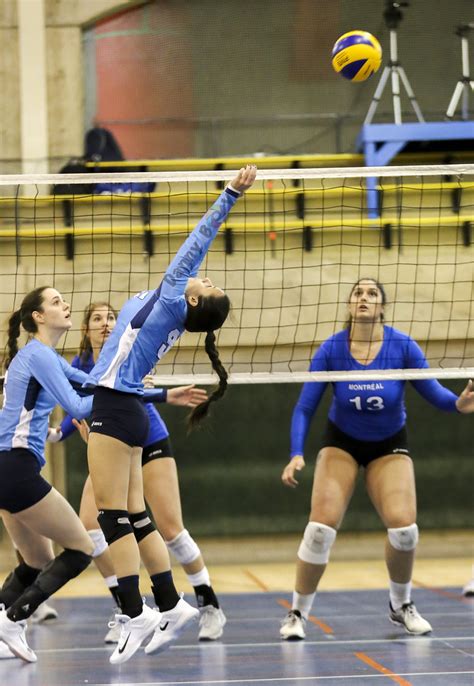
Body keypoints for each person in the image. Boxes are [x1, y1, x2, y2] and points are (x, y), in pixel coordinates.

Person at [84, 165, 257, 664]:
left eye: (205, 281)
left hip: (117, 408)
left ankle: (136, 614)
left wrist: (230, 194)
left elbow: (198, 240)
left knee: (109, 513)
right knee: (136, 515)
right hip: (128, 407)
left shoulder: (173, 293)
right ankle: (170, 605)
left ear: (195, 297)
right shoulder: (175, 308)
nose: (202, 273)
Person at [279, 278, 474, 640]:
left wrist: (460, 404)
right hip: (342, 442)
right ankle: (297, 614)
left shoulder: (402, 346)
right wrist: (295, 454)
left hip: (388, 443)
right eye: (358, 293)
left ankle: (401, 605)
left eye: (372, 294)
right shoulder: (332, 349)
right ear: (350, 306)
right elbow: (305, 407)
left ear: (381, 306)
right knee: (320, 530)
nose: (364, 298)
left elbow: (436, 394)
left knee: (404, 531)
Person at [54, 301, 226, 643]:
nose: (105, 324)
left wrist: (162, 394)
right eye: (97, 319)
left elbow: (131, 392)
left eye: (111, 318)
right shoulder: (82, 365)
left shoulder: (131, 347)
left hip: (147, 438)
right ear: (86, 330)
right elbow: (81, 407)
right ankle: (130, 608)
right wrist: (57, 433)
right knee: (92, 528)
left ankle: (208, 603)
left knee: (171, 529)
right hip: (108, 444)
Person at [0, 286, 96, 662]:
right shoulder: (38, 356)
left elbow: (86, 381)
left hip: (8, 468)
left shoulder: (43, 356)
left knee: (37, 560)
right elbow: (76, 403)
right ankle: (15, 619)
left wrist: (127, 372)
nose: (66, 304)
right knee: (81, 549)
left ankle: (5, 619)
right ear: (38, 317)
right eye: (56, 302)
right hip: (17, 468)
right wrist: (122, 393)